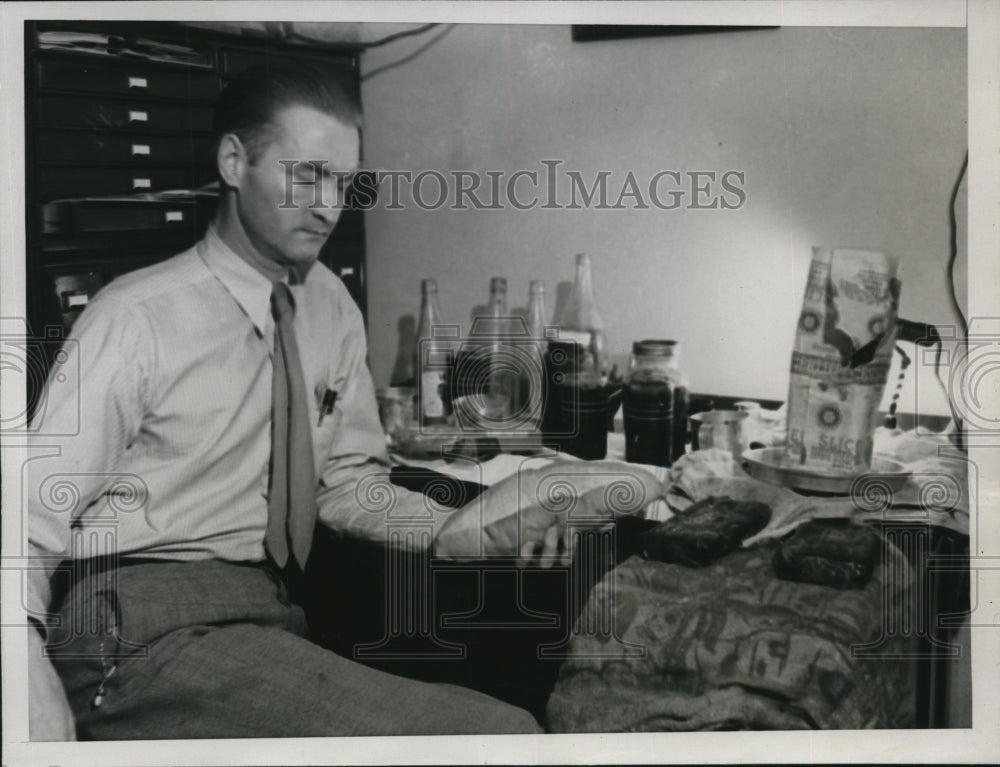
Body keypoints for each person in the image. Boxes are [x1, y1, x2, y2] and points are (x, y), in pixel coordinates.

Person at [26, 62, 661, 740]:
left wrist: (463, 527)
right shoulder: (135, 318)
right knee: (496, 735)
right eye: (307, 176)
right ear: (234, 161)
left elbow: (346, 482)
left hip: (267, 610)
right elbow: (23, 522)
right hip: (133, 624)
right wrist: (25, 676)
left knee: (511, 695)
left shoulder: (327, 303)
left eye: (344, 181)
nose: (330, 205)